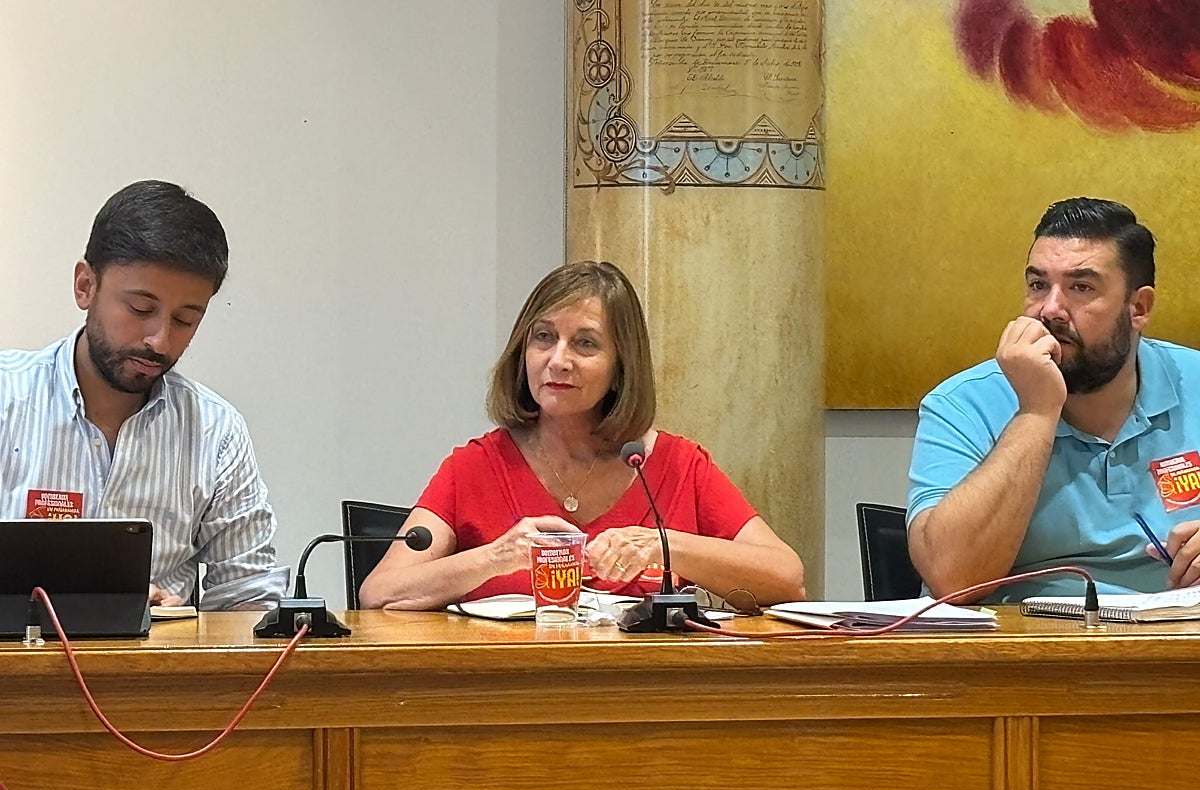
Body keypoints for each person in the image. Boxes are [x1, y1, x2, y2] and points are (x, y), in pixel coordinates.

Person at [359, 260, 804, 610]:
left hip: (646, 690)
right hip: (505, 689)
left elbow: (787, 579)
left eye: (585, 343)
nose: (558, 360)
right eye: (543, 337)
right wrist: (496, 557)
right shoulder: (475, 466)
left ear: (620, 367)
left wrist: (665, 546)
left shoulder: (678, 466)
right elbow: (380, 592)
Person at [0, 180, 289, 610]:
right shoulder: (7, 398)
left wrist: (185, 626)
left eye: (185, 319)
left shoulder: (216, 432)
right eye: (141, 309)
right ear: (85, 286)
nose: (159, 340)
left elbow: (249, 599)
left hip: (158, 655)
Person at [908, 197, 1200, 602]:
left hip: (1175, 633)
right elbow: (952, 580)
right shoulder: (962, 403)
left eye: (1081, 287)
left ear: (1138, 307)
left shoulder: (1193, 380)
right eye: (1038, 285)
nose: (1050, 310)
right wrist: (1037, 412)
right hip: (1025, 636)